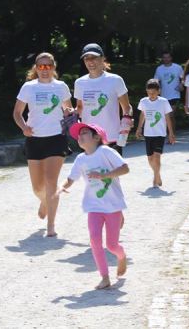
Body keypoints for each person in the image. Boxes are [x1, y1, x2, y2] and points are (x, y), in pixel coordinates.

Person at [57, 123, 128, 290]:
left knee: (112, 245)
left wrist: (105, 175)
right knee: (95, 239)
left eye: (84, 133)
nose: (80, 136)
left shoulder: (106, 152)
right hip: (93, 206)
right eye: (78, 134)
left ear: (96, 137)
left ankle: (121, 256)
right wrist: (62, 187)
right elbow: (71, 178)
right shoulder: (80, 159)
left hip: (112, 206)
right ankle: (104, 277)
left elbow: (125, 168)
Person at [13, 52, 72, 237]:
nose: (44, 70)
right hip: (34, 139)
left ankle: (51, 225)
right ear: (36, 68)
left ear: (53, 67)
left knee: (51, 182)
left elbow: (68, 110)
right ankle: (45, 200)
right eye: (41, 66)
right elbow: (17, 113)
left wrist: (71, 113)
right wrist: (24, 127)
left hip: (56, 138)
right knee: (38, 187)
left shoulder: (61, 87)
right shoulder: (28, 87)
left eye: (48, 66)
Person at [74, 43, 133, 155]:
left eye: (94, 57)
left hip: (111, 137)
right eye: (87, 58)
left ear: (102, 58)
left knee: (112, 167)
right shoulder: (80, 82)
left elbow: (127, 107)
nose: (90, 62)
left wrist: (127, 120)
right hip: (89, 139)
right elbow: (80, 108)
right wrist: (71, 113)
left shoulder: (115, 80)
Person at [135, 79, 176, 188]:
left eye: (153, 92)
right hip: (148, 134)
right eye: (149, 92)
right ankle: (157, 174)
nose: (151, 95)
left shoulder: (163, 102)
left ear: (159, 91)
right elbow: (142, 115)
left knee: (157, 157)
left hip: (160, 134)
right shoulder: (143, 101)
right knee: (150, 158)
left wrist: (171, 133)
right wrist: (139, 128)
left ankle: (155, 178)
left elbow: (167, 117)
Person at [153, 51, 184, 128]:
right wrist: (157, 90)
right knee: (166, 116)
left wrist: (181, 84)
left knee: (171, 115)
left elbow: (183, 78)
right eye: (164, 57)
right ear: (162, 59)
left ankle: (172, 133)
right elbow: (156, 81)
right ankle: (169, 132)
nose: (166, 59)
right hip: (163, 96)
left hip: (175, 95)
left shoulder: (177, 67)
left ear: (171, 58)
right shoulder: (159, 69)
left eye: (168, 57)